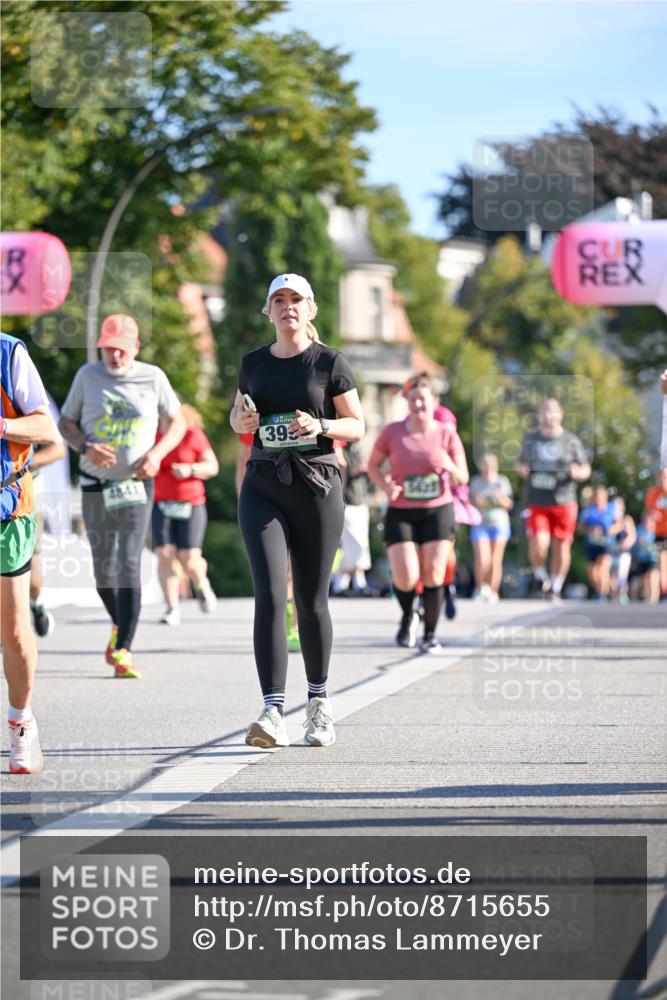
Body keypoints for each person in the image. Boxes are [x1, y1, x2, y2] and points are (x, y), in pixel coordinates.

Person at [230, 273, 364, 749]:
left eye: (296, 300)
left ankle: (319, 704)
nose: (287, 307)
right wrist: (241, 420)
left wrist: (322, 424)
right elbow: (237, 416)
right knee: (269, 594)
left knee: (310, 601)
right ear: (268, 310)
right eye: (279, 300)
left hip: (316, 486)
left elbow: (357, 425)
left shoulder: (329, 361)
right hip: (263, 484)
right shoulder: (253, 363)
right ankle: (271, 712)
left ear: (311, 309)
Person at [59, 314, 185, 678]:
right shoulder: (87, 376)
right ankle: (120, 625)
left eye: (121, 350)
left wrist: (157, 455)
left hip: (135, 484)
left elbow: (178, 422)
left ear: (136, 348)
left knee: (129, 562)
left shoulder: (153, 377)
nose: (114, 356)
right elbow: (65, 423)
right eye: (108, 349)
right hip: (95, 484)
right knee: (104, 571)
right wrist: (86, 447)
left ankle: (123, 649)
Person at [367, 372, 468, 653]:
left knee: (433, 572)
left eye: (422, 399)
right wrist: (385, 486)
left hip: (437, 510)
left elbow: (462, 477)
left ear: (434, 401)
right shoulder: (393, 432)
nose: (418, 405)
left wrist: (448, 464)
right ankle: (408, 615)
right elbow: (373, 465)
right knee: (406, 576)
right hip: (401, 511)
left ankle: (430, 634)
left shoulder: (446, 433)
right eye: (412, 400)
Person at [1, 333, 59, 773]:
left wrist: (3, 426)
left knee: (15, 630)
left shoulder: (8, 353)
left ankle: (22, 723)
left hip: (6, 506)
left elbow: (44, 428)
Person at [516, 397, 591, 601]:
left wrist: (578, 472)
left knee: (561, 545)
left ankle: (556, 585)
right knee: (539, 543)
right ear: (540, 414)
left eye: (552, 411)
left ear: (561, 414)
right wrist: (523, 469)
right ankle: (542, 575)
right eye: (545, 411)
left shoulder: (571, 441)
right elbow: (520, 463)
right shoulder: (531, 438)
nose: (548, 415)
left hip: (564, 500)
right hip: (537, 501)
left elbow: (586, 469)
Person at [153, 403, 219, 625]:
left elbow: (212, 466)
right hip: (160, 502)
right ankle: (171, 607)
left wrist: (191, 469)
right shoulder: (152, 433)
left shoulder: (192, 433)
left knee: (188, 559)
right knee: (164, 554)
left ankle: (201, 583)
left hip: (191, 502)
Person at [29, 402, 68, 636]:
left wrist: (21, 464)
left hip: (23, 490)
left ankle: (36, 602)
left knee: (28, 565)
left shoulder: (24, 393)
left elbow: (58, 449)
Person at [331, 440, 376, 597]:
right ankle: (346, 583)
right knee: (351, 544)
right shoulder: (341, 449)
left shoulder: (356, 450)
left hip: (359, 501)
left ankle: (350, 582)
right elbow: (342, 470)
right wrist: (358, 469)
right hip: (348, 502)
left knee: (358, 544)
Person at [469, 452, 513, 601]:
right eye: (485, 465)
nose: (488, 468)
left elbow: (509, 504)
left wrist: (501, 498)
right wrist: (477, 502)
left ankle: (493, 591)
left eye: (490, 465)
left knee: (495, 560)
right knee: (482, 559)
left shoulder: (502, 481)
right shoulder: (476, 482)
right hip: (480, 524)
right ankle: (480, 588)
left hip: (499, 525)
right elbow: (469, 502)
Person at [578, 484, 618, 601]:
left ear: (605, 497)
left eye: (601, 496)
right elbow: (580, 527)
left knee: (602, 568)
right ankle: (602, 589)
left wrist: (610, 530)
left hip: (607, 544)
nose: (599, 498)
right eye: (597, 496)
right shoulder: (588, 510)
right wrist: (590, 530)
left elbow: (620, 524)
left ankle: (602, 594)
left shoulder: (611, 508)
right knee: (592, 573)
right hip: (591, 544)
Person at [643, 467, 667, 601]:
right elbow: (648, 512)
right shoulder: (653, 493)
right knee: (661, 560)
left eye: (665, 476)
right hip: (660, 533)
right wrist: (652, 516)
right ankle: (662, 591)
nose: (663, 479)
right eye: (661, 476)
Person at [609, 496, 636, 604]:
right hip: (612, 551)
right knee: (613, 575)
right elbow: (609, 532)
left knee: (622, 574)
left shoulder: (627, 519)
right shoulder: (610, 519)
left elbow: (632, 535)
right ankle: (613, 596)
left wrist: (627, 542)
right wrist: (619, 525)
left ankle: (622, 594)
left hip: (624, 552)